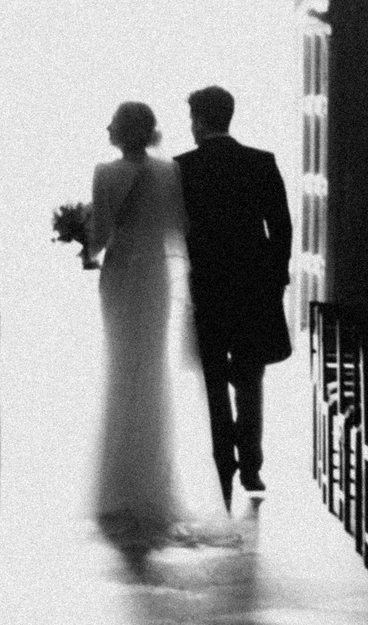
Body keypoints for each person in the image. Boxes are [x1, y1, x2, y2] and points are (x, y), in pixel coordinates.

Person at [87, 101, 236, 547]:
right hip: (154, 278)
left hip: (120, 276)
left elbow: (99, 236)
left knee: (121, 370)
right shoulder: (169, 172)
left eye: (113, 122)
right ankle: (154, 477)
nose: (107, 127)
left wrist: (83, 242)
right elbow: (179, 228)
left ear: (123, 131)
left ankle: (119, 481)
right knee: (152, 371)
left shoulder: (105, 173)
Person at [175, 86, 293, 510]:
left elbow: (178, 231)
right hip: (252, 288)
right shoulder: (261, 162)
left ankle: (222, 464)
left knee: (213, 381)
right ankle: (251, 467)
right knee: (250, 378)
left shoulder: (183, 168)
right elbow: (281, 226)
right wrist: (275, 279)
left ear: (200, 121)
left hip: (206, 287)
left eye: (192, 119)